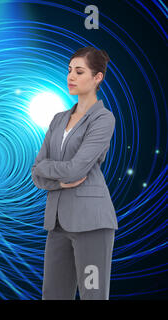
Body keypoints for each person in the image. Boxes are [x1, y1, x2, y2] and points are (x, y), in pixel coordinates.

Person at [31, 46, 117, 300]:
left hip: (91, 223)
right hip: (57, 222)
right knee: (53, 294)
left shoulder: (103, 119)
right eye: (69, 70)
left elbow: (78, 169)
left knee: (92, 294)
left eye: (79, 72)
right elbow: (36, 171)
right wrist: (59, 181)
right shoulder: (58, 119)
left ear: (97, 77)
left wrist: (50, 172)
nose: (71, 76)